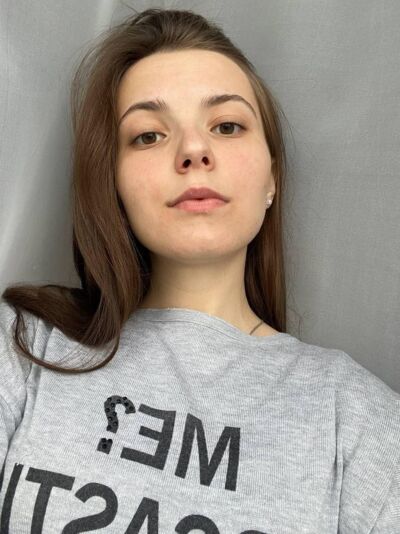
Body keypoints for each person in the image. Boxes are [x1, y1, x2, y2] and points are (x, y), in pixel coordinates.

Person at [0, 7, 399, 532]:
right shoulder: (25, 346)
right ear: (112, 183)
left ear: (272, 178)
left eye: (227, 126)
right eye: (148, 135)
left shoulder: (355, 419)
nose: (193, 150)